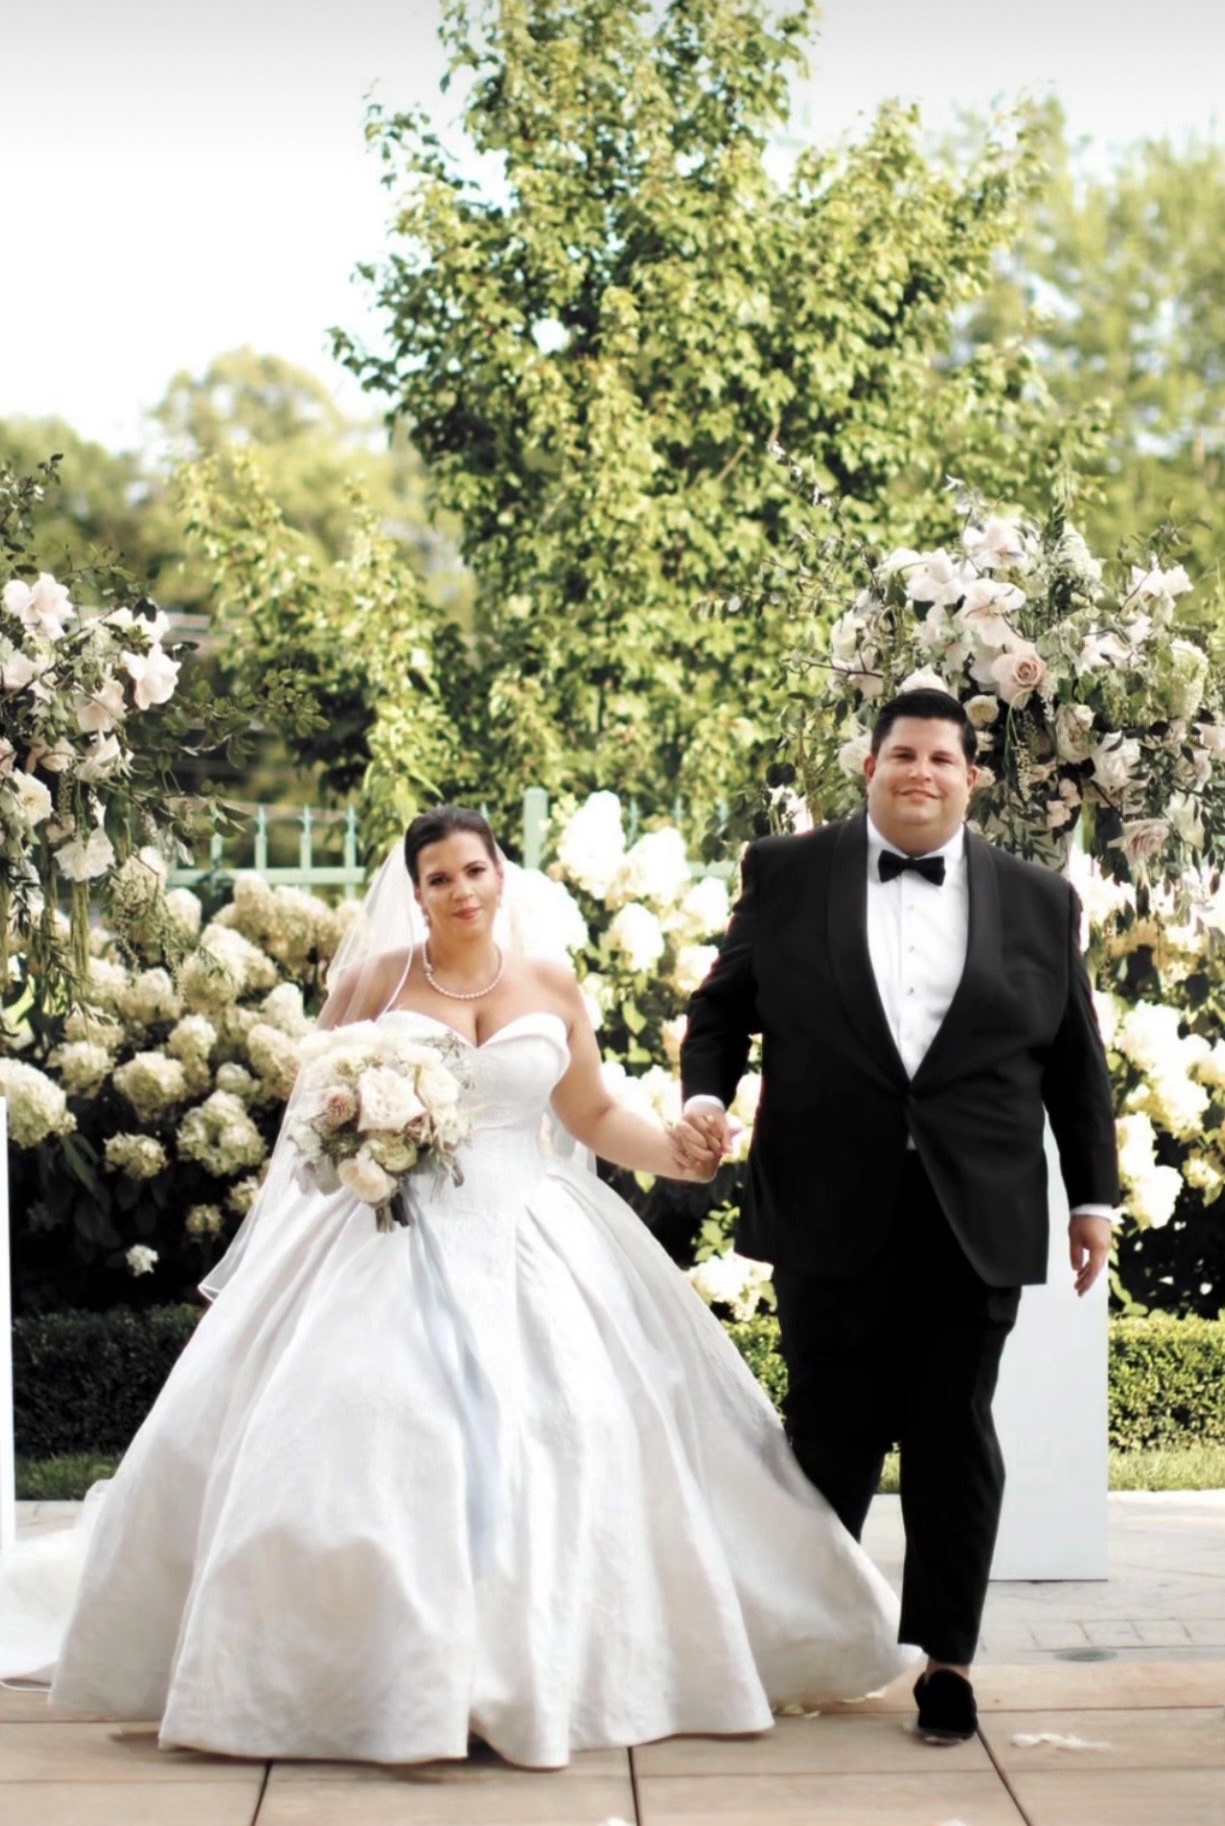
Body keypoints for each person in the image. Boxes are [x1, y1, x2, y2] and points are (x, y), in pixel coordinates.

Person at [1, 806, 912, 1767]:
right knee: (371, 1423)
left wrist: (680, 1157)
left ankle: (537, 1671)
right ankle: (366, 1676)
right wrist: (368, 1139)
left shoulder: (550, 983)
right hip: (389, 1234)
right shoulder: (371, 982)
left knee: (578, 1427)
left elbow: (594, 1111)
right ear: (416, 890)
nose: (460, 890)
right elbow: (310, 1124)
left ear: (498, 874)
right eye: (438, 878)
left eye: (473, 870)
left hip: (533, 1233)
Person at [681, 689, 1119, 1745]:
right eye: (900, 755)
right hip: (827, 1197)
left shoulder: (1036, 899)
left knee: (951, 1434)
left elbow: (1073, 1060)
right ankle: (816, 1641)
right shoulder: (785, 873)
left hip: (978, 1208)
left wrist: (1093, 1195)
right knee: (826, 1433)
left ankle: (947, 1662)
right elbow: (723, 1004)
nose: (919, 772)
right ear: (867, 766)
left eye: (940, 757)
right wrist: (705, 1094)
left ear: (971, 777)